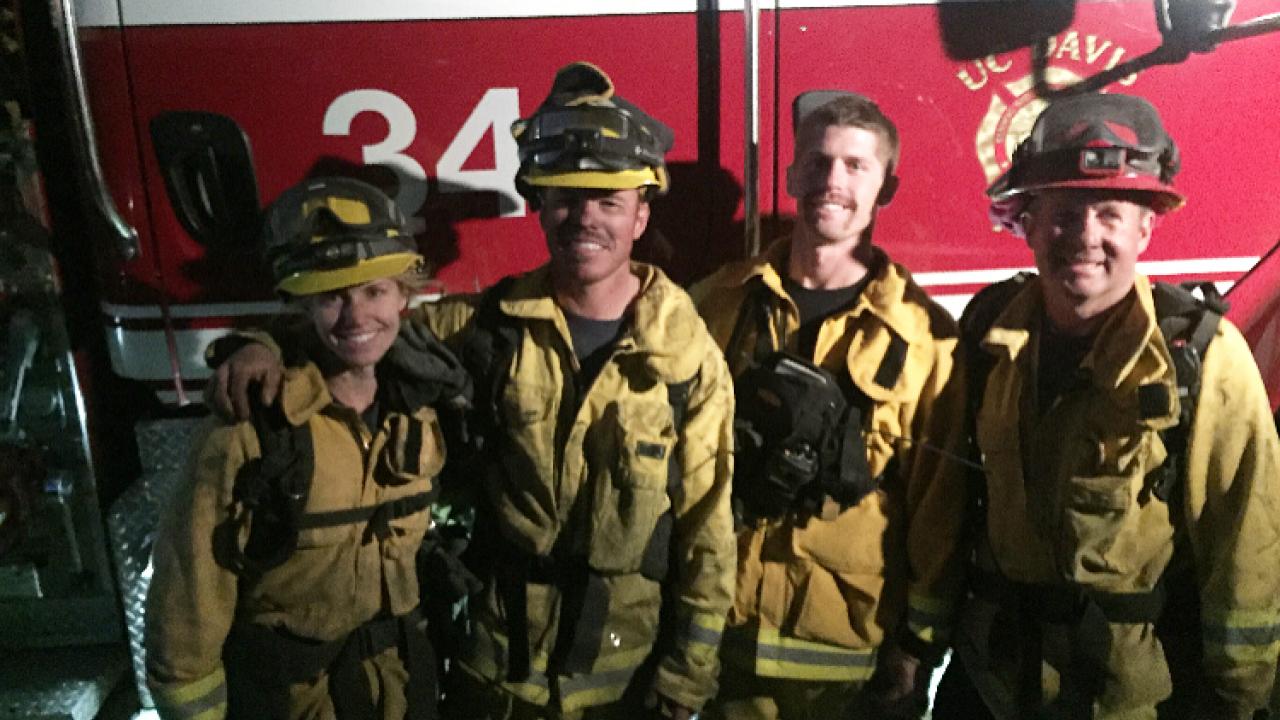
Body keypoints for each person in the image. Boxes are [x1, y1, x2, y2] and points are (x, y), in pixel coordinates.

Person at [207, 61, 737, 720]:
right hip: (494, 669)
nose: (584, 219)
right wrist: (259, 343)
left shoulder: (687, 361)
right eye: (565, 197)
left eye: (608, 201)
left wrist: (687, 679)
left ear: (640, 213)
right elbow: (359, 329)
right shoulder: (484, 327)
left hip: (621, 675)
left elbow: (708, 532)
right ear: (539, 204)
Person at [938, 92, 1280, 720]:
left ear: (1147, 226)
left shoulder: (1202, 357)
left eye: (1110, 215)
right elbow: (952, 507)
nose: (1084, 237)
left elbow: (1246, 544)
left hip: (1124, 698)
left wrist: (1241, 698)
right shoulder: (989, 337)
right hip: (991, 683)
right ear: (1030, 223)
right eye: (1064, 213)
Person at [145, 177, 470, 719]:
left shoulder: (420, 404)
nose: (356, 317)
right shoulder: (250, 428)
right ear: (299, 304)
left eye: (374, 291)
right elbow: (189, 599)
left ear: (404, 294)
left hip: (401, 688)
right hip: (290, 702)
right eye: (330, 296)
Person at [690, 91, 966, 719]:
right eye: (816, 162)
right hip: (721, 645)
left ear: (885, 187)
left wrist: (917, 648)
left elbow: (938, 508)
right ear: (790, 176)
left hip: (849, 660)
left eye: (855, 165)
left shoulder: (926, 338)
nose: (831, 181)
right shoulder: (715, 306)